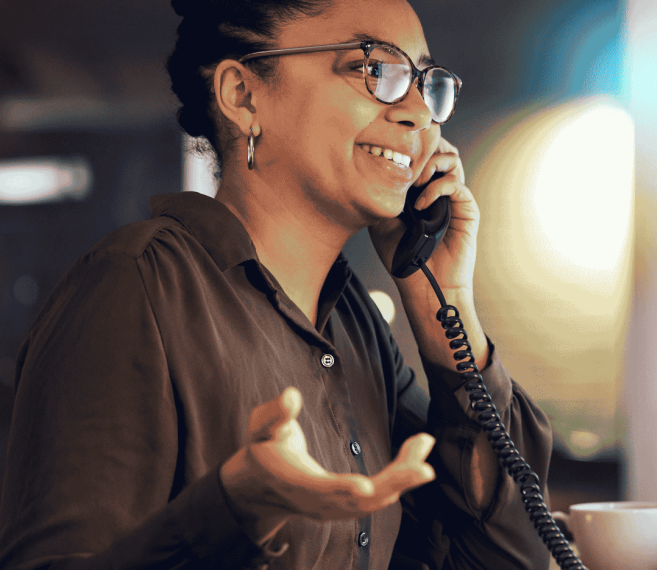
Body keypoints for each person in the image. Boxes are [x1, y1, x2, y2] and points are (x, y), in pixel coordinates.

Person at [0, 0, 555, 568]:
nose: (420, 113)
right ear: (243, 95)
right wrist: (227, 514)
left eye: (424, 82)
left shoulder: (356, 326)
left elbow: (507, 554)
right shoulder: (133, 287)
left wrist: (443, 298)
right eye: (374, 69)